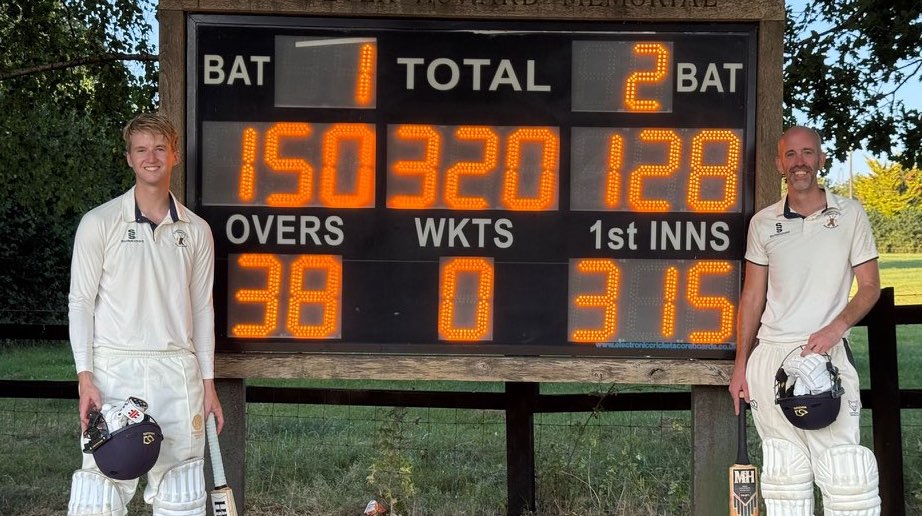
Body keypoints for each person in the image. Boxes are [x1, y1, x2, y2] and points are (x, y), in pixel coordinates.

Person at [66, 113, 224, 515]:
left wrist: (208, 383)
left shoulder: (197, 230)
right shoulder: (99, 223)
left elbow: (203, 309)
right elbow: (80, 302)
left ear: (175, 155)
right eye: (141, 149)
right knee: (98, 495)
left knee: (182, 493)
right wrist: (86, 376)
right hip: (114, 369)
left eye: (159, 148)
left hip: (178, 373)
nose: (151, 157)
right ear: (129, 159)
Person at [728, 126, 882, 515]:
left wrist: (836, 328)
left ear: (821, 159)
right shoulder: (763, 223)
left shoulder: (850, 214)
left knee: (847, 476)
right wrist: (741, 364)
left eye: (808, 153)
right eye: (791, 155)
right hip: (771, 356)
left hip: (825, 354)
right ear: (780, 164)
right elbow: (752, 297)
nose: (800, 162)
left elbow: (869, 288)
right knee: (784, 477)